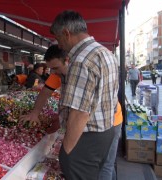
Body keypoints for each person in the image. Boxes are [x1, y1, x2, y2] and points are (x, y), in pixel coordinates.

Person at [20, 45, 122, 180]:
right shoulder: (58, 73)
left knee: (105, 165)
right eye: (50, 68)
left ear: (67, 60)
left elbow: (82, 111)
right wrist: (35, 113)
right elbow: (45, 92)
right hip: (86, 125)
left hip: (111, 121)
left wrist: (66, 150)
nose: (53, 72)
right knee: (91, 165)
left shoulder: (82, 70)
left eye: (55, 67)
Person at [49, 10, 118, 179]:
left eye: (59, 39)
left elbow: (80, 112)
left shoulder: (81, 60)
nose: (59, 45)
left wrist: (67, 151)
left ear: (66, 33)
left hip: (86, 137)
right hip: (106, 132)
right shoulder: (105, 52)